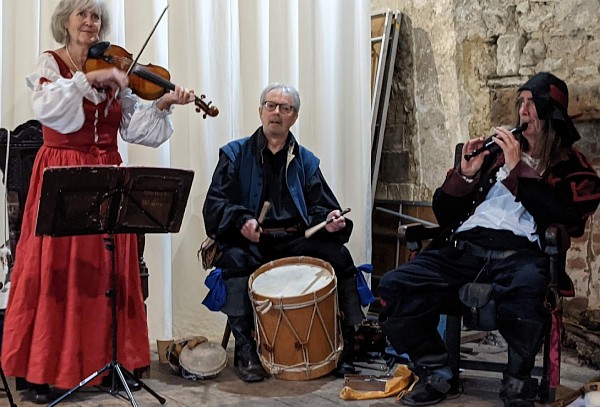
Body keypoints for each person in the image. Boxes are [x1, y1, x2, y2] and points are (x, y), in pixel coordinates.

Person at [0, 0, 195, 403]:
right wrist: (91, 80)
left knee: (104, 273)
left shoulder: (116, 70)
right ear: (65, 22)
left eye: (97, 17)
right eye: (82, 15)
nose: (91, 23)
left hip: (108, 170)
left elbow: (135, 128)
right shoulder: (50, 64)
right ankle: (40, 372)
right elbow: (49, 110)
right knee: (55, 272)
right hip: (62, 171)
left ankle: (104, 364)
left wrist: (161, 104)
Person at [378, 72, 600, 407]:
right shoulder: (493, 156)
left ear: (550, 112)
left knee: (529, 294)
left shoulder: (573, 167)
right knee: (397, 285)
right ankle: (437, 370)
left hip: (519, 255)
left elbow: (565, 215)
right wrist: (465, 176)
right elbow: (445, 213)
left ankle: (517, 382)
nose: (522, 111)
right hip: (465, 250)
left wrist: (519, 172)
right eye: (520, 103)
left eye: (531, 104)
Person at [202, 82, 364, 383]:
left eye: (285, 108)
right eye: (271, 105)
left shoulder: (307, 161)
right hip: (252, 240)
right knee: (235, 261)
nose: (277, 112)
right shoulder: (235, 155)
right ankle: (247, 351)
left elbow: (322, 207)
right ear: (261, 111)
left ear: (294, 117)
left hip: (295, 239)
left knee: (339, 257)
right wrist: (241, 221)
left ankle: (346, 347)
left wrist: (329, 219)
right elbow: (215, 205)